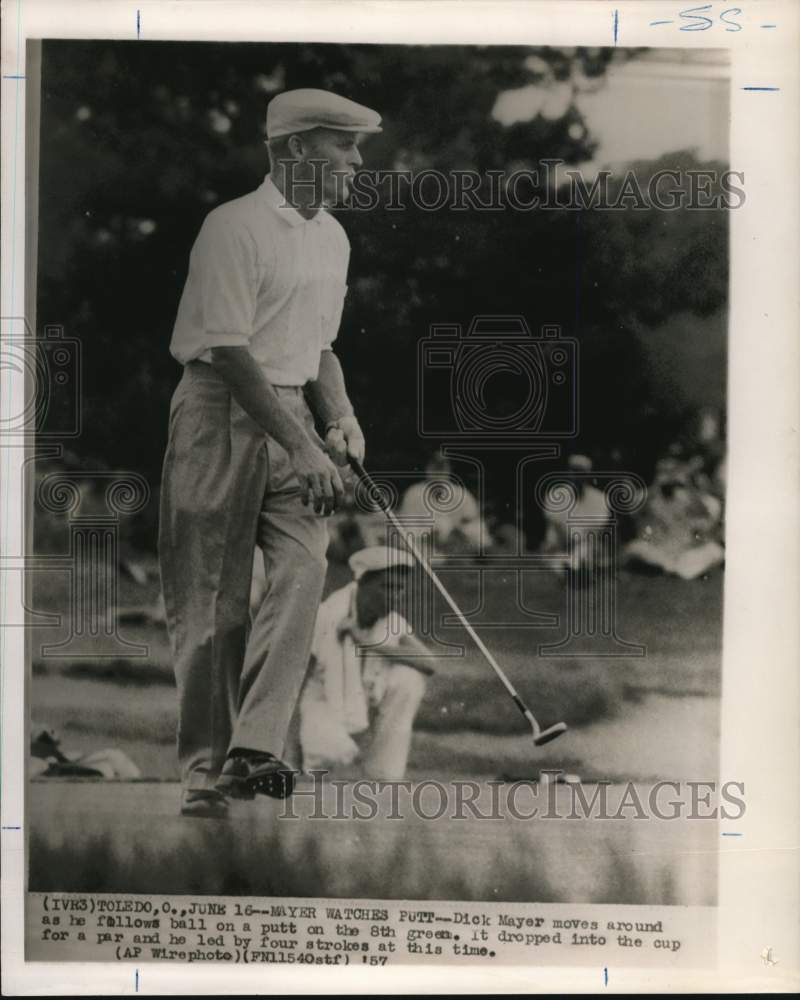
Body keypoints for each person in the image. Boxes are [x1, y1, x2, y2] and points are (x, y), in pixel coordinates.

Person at [159, 89, 381, 818]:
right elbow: (228, 350)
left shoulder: (334, 239)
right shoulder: (233, 227)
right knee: (215, 602)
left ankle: (254, 747)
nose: (356, 161)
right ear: (292, 150)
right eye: (342, 145)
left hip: (292, 416)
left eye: (357, 148)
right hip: (218, 408)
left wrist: (341, 421)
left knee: (305, 569)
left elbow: (319, 350)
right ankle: (203, 772)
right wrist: (303, 444)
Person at [298, 546, 434, 780]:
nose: (395, 595)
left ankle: (382, 770)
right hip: (320, 705)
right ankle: (318, 760)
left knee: (408, 680)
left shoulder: (390, 620)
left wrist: (368, 643)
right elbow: (295, 686)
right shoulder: (327, 615)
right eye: (387, 586)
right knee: (336, 754)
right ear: (362, 584)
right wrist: (289, 748)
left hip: (364, 704)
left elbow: (429, 663)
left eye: (400, 588)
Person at [540, 454, 610, 576]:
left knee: (585, 547)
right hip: (560, 546)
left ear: (588, 475)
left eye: (581, 473)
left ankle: (576, 566)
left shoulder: (600, 499)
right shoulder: (556, 496)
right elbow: (556, 526)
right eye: (574, 472)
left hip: (585, 546)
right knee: (559, 558)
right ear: (568, 473)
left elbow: (595, 529)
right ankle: (573, 567)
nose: (577, 477)